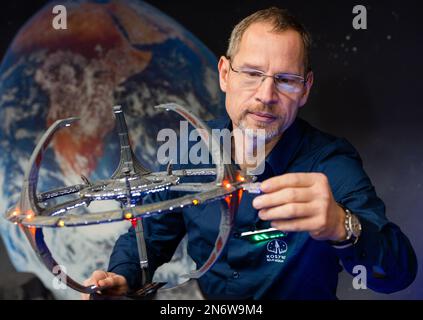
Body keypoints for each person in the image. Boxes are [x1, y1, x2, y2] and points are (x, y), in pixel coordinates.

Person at [83, 7, 417, 299]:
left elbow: (398, 274)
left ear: (305, 89)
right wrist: (122, 275)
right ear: (225, 74)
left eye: (285, 80)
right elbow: (151, 234)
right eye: (253, 74)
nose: (266, 95)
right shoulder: (189, 148)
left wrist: (342, 226)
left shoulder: (331, 163)